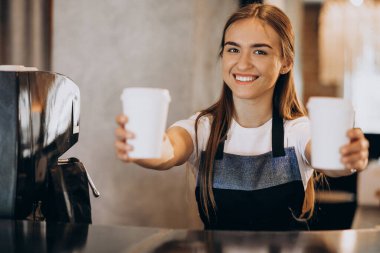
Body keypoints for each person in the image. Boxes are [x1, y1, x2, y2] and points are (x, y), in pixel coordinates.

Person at [114, 3, 369, 231]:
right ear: (223, 55)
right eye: (233, 49)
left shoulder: (298, 131)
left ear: (286, 63)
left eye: (260, 52)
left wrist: (348, 158)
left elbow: (330, 161)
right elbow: (167, 150)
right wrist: (142, 146)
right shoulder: (203, 129)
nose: (243, 64)